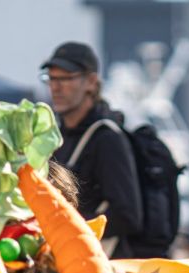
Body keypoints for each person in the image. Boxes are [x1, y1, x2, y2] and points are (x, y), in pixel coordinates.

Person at [43, 42, 142, 258]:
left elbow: (128, 215)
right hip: (70, 257)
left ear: (91, 82)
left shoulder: (107, 138)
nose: (55, 87)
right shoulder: (56, 136)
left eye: (65, 78)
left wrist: (73, 227)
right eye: (51, 78)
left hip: (101, 263)